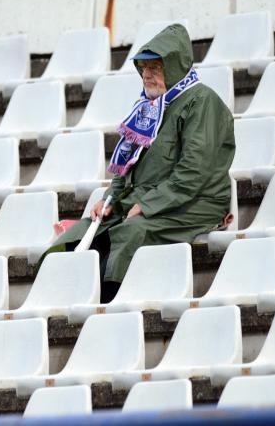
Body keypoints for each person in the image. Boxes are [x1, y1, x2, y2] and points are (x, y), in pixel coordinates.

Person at [52, 23, 235, 303]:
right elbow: (127, 166)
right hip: (149, 198)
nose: (147, 75)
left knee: (129, 232)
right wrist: (111, 197)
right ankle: (70, 305)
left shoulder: (202, 102)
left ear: (174, 66)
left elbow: (193, 173)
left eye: (156, 67)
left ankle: (109, 306)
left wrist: (148, 205)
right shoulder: (149, 106)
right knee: (83, 231)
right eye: (144, 68)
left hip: (198, 202)